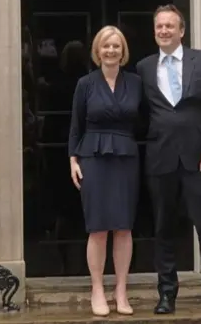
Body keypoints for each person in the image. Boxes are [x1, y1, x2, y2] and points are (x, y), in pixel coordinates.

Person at [135, 4, 201, 314]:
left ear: (181, 31)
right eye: (159, 26)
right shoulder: (143, 67)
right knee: (164, 228)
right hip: (160, 160)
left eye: (169, 26)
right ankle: (167, 293)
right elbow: (139, 114)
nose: (163, 30)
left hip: (199, 160)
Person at [68, 25, 142, 317]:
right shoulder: (85, 84)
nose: (111, 51)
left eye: (116, 46)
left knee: (124, 226)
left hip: (126, 155)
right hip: (94, 156)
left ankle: (121, 290)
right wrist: (73, 159)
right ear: (97, 51)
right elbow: (76, 124)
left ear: (123, 51)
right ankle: (97, 289)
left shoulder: (136, 83)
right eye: (106, 46)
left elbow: (148, 120)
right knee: (98, 227)